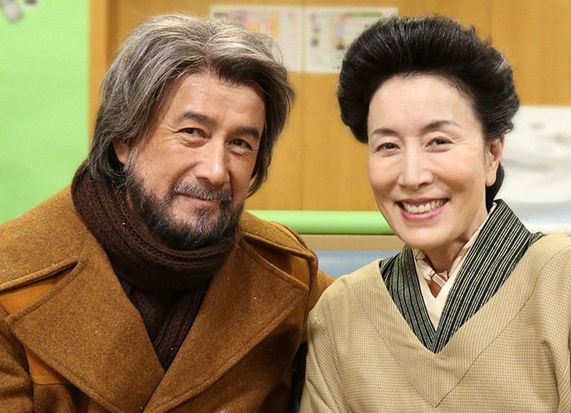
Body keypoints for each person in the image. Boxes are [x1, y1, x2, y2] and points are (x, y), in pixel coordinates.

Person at [0, 14, 331, 412]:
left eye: (241, 143)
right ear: (124, 139)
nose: (216, 170)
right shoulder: (12, 274)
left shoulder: (288, 272)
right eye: (192, 133)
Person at [301, 15, 571, 412]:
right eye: (387, 146)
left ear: (492, 154)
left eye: (438, 141)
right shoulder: (341, 311)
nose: (412, 176)